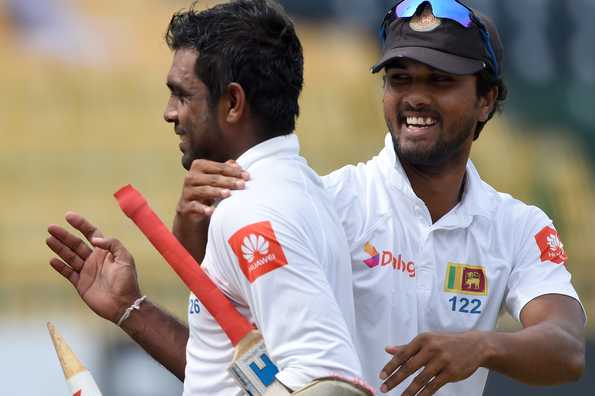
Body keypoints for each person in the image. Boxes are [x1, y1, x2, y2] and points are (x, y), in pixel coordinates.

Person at [177, 1, 586, 395]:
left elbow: (566, 348)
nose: (416, 97)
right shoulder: (327, 201)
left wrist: (482, 346)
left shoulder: (517, 227)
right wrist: (185, 235)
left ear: (486, 100)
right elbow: (233, 342)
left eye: (440, 80)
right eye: (399, 79)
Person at [46, 1, 371, 395]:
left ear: (233, 103)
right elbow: (241, 375)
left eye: (183, 96)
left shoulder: (251, 212)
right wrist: (130, 308)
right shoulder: (301, 189)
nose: (170, 113)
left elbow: (325, 380)